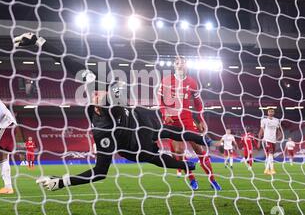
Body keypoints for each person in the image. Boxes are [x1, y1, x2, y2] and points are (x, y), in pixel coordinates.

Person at [12, 33, 212, 192]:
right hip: (135, 146)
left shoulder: (104, 100)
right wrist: (63, 182)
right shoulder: (103, 131)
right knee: (154, 156)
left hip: (142, 121)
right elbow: (100, 172)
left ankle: (205, 142)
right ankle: (187, 166)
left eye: (101, 92)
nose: (96, 91)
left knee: (169, 131)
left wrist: (39, 41)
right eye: (100, 93)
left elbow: (68, 62)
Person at [158, 56, 221, 191]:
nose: (180, 64)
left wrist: (201, 119)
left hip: (187, 120)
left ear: (186, 65)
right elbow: (160, 101)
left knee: (199, 149)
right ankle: (192, 179)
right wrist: (165, 113)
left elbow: (198, 104)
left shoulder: (192, 82)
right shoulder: (166, 81)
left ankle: (212, 180)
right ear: (174, 65)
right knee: (179, 151)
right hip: (172, 121)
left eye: (182, 62)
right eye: (177, 63)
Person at [259, 108, 282, 175]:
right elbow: (261, 130)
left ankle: (266, 169)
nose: (271, 112)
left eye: (272, 111)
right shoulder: (264, 120)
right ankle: (272, 169)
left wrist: (279, 136)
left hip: (274, 140)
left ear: (274, 113)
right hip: (267, 139)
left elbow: (278, 130)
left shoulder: (277, 120)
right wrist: (260, 139)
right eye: (270, 111)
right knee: (271, 153)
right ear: (267, 112)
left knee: (270, 155)